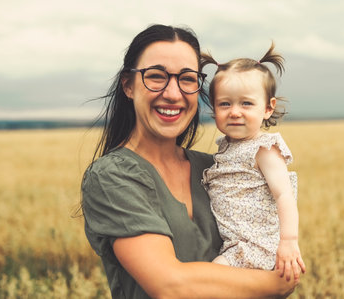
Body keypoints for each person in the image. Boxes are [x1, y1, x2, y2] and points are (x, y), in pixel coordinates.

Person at [81, 24, 298, 299]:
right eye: (156, 76)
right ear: (128, 85)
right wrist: (276, 284)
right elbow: (170, 286)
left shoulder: (215, 170)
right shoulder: (112, 177)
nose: (173, 94)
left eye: (187, 79)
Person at [201, 44, 306, 282]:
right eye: (225, 104)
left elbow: (284, 196)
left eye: (246, 104)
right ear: (214, 108)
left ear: (268, 108)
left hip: (255, 247)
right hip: (234, 243)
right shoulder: (226, 147)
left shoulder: (264, 149)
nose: (235, 112)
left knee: (208, 280)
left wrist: (289, 242)